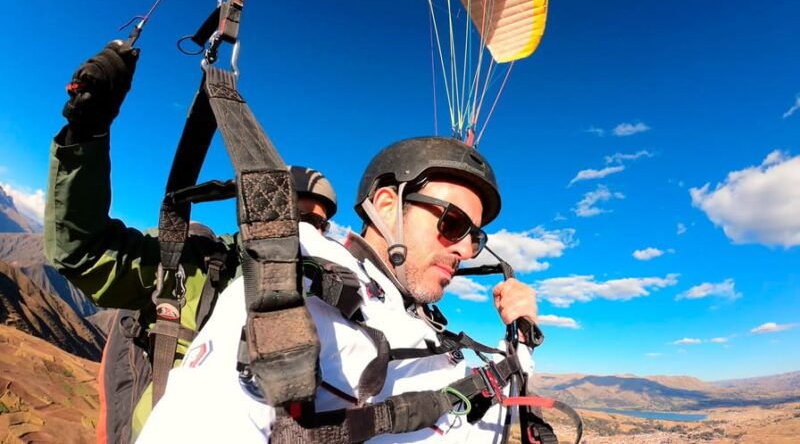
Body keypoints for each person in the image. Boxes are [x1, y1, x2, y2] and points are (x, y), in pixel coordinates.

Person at [138, 136, 541, 443]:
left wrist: (522, 335)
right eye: (451, 223)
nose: (463, 251)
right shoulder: (300, 285)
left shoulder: (410, 314)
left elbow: (469, 419)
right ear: (386, 204)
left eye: (475, 237)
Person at [44, 41, 339, 442]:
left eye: (316, 224)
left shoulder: (333, 302)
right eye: (289, 212)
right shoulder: (198, 265)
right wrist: (88, 131)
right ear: (253, 210)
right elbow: (82, 251)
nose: (302, 231)